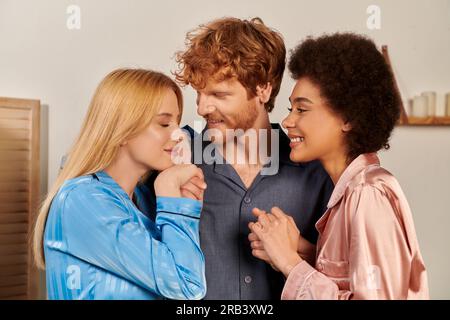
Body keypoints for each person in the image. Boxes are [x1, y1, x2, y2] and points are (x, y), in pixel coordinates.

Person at [248, 33, 429, 299]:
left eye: (302, 109)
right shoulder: (350, 194)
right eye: (290, 108)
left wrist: (290, 263)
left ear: (347, 118)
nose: (287, 121)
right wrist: (303, 252)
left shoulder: (367, 195)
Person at [172, 17, 333, 299]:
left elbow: (342, 278)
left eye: (219, 94)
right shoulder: (178, 157)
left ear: (263, 89)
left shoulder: (316, 173)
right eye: (199, 94)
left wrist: (300, 250)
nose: (202, 108)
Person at [32, 69, 207, 300]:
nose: (178, 134)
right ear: (122, 131)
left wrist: (180, 199)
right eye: (164, 124)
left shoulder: (141, 200)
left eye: (177, 122)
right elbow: (188, 285)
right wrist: (174, 203)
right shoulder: (82, 200)